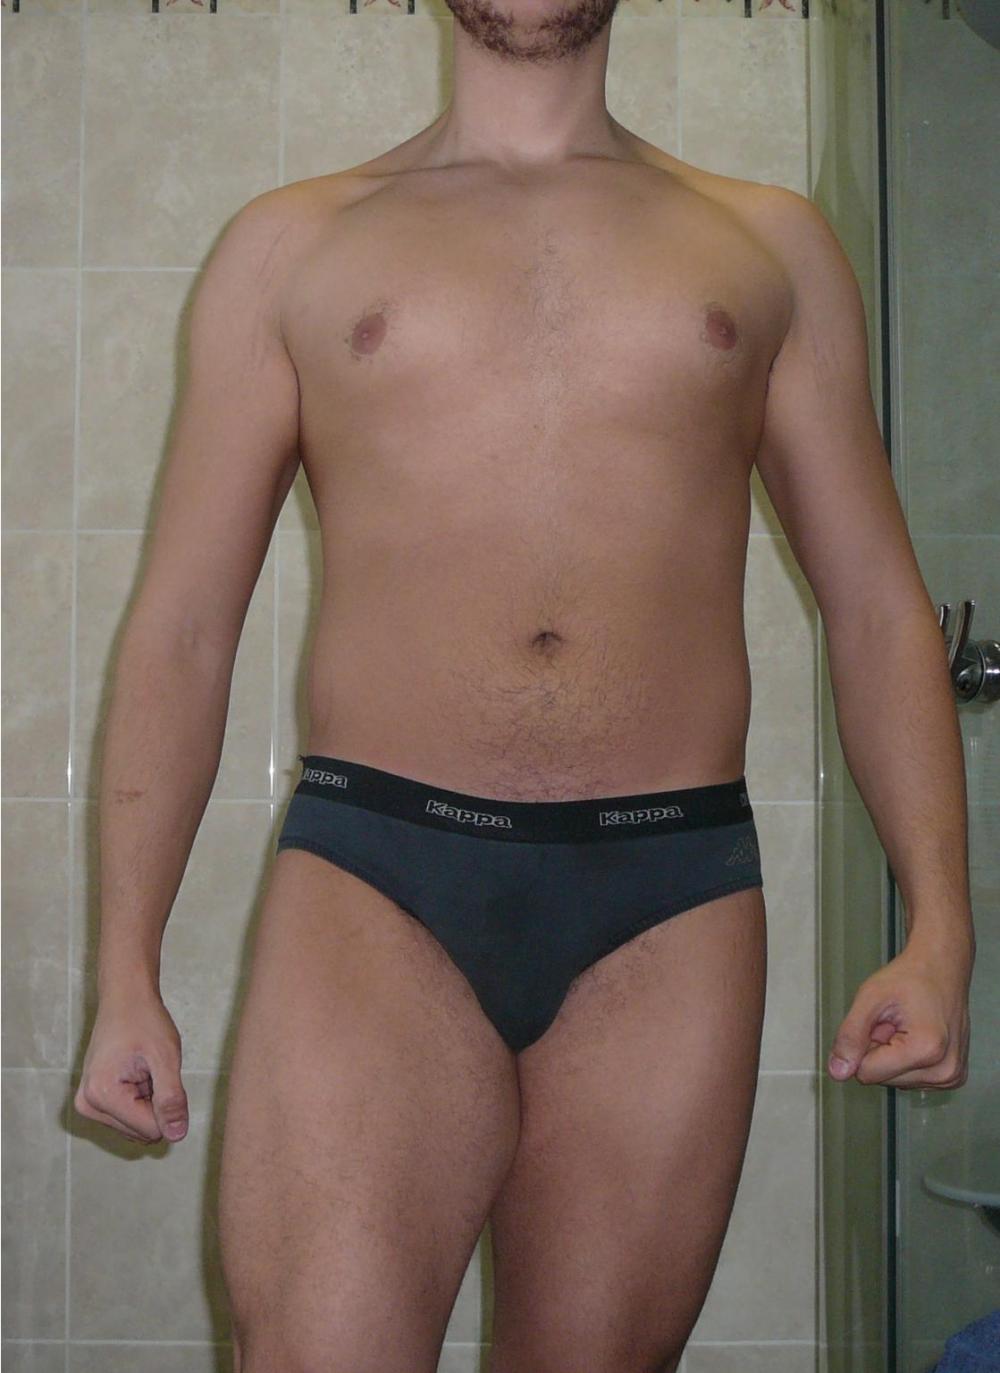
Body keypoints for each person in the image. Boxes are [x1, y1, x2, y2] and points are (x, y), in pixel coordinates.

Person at [73, 0, 976, 1367]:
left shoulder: (768, 244)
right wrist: (126, 967)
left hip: (669, 903)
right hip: (378, 882)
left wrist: (940, 926)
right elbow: (185, 627)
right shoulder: (293, 245)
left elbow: (877, 608)